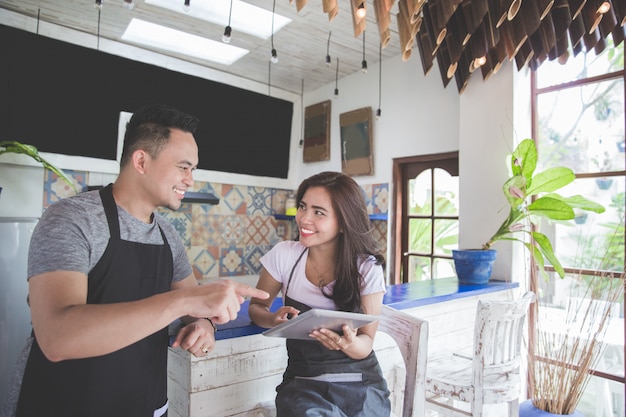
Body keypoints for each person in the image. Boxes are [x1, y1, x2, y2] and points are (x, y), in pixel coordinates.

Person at [14, 104, 268, 417]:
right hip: (64, 404)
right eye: (184, 167)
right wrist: (184, 301)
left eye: (193, 169)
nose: (190, 180)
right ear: (141, 161)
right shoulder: (72, 219)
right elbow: (57, 337)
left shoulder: (166, 234)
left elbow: (194, 309)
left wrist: (204, 325)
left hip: (144, 403)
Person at [248, 171, 390, 417]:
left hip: (360, 381)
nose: (304, 218)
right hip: (303, 382)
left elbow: (366, 344)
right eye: (303, 207)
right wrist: (272, 319)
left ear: (344, 222)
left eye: (319, 212)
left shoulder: (366, 268)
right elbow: (255, 308)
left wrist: (349, 343)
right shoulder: (284, 255)